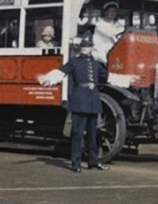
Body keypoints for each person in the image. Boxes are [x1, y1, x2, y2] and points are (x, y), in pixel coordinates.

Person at [37, 32, 110, 172]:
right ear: (80, 48)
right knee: (77, 133)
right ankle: (75, 163)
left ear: (92, 48)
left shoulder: (96, 64)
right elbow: (61, 72)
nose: (85, 49)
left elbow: (109, 76)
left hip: (93, 101)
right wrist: (48, 80)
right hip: (79, 101)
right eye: (83, 46)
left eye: (88, 46)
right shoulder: (74, 62)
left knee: (93, 133)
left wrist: (128, 79)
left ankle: (93, 162)